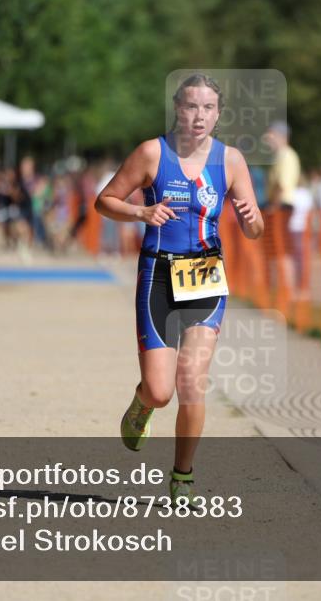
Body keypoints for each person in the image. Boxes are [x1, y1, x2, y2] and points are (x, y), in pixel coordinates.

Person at [95, 73, 263, 504]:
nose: (198, 115)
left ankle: (182, 475)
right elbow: (105, 200)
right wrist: (141, 212)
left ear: (219, 113)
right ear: (177, 108)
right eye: (191, 106)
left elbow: (256, 229)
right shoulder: (153, 152)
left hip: (207, 276)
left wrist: (249, 217)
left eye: (207, 108)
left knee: (192, 381)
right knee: (160, 390)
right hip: (158, 275)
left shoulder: (231, 160)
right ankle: (142, 405)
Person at [263, 121, 300, 293]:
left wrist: (273, 206)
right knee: (278, 248)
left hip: (281, 206)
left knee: (282, 248)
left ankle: (287, 290)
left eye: (271, 135)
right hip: (280, 205)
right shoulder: (281, 155)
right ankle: (282, 289)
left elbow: (281, 184)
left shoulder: (286, 155)